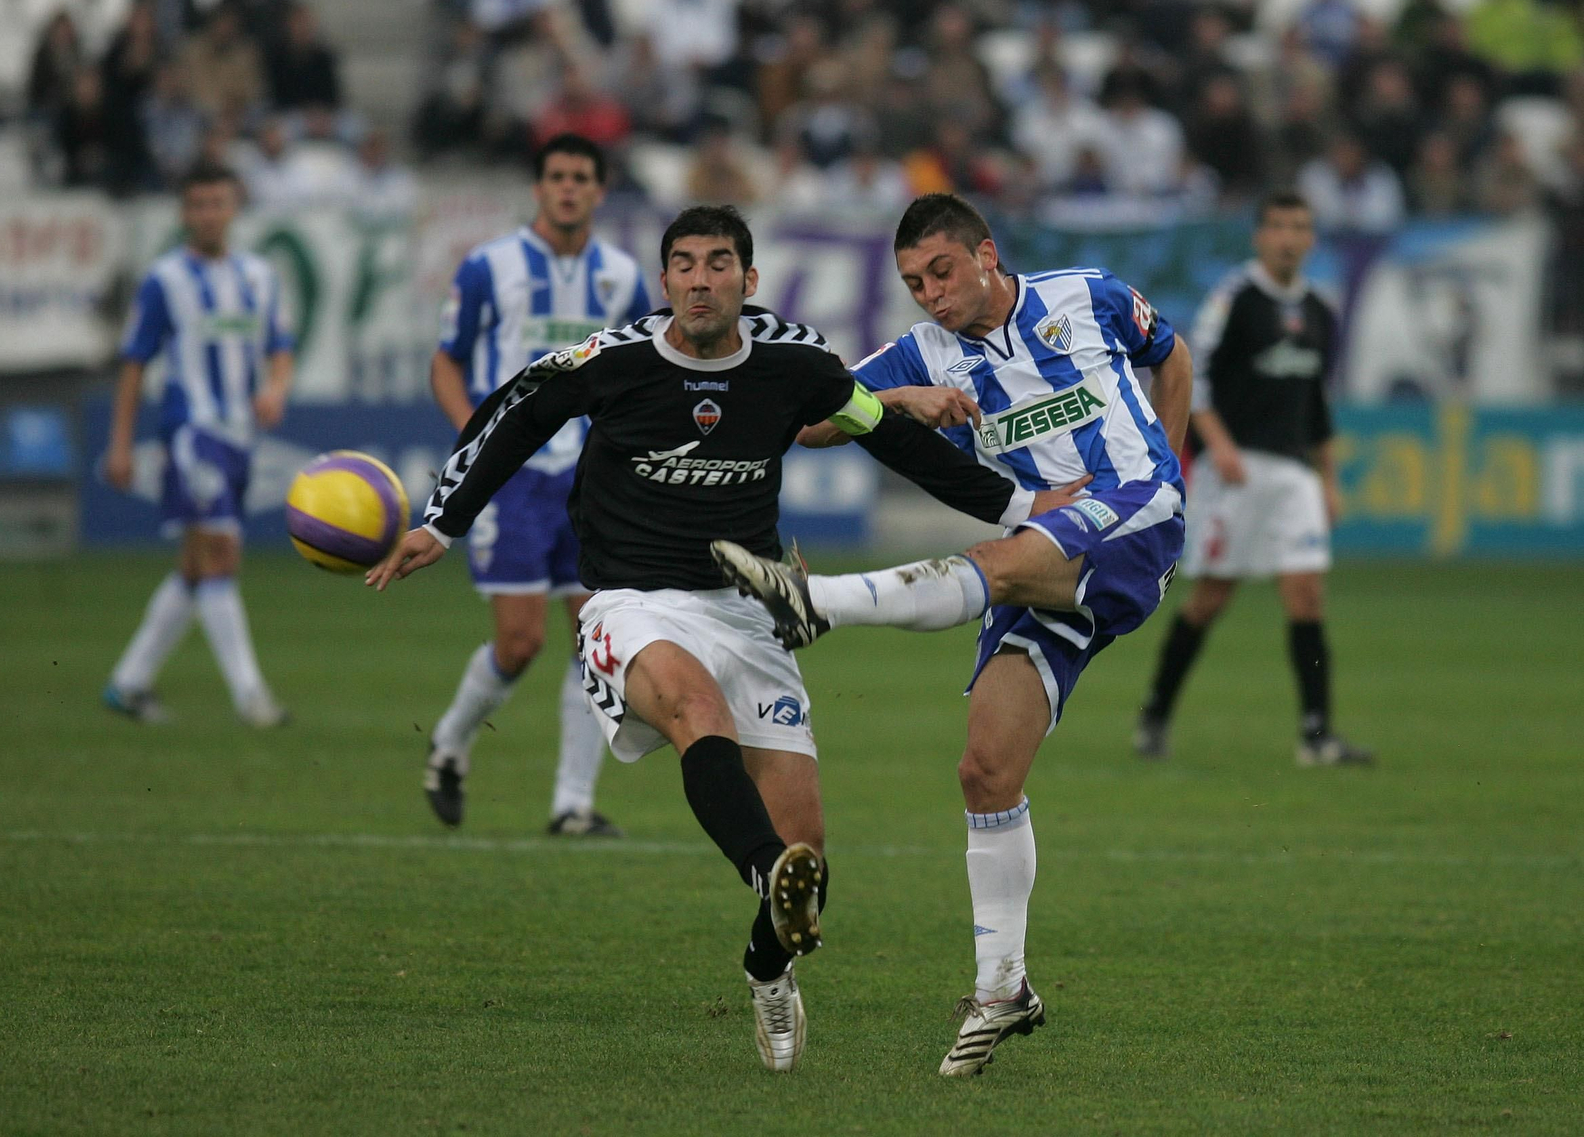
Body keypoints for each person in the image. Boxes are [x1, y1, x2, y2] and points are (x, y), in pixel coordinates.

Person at [367, 204, 1039, 1072]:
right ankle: (765, 870)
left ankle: (767, 970)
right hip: (629, 603)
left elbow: (892, 437)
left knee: (814, 860)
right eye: (682, 263)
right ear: (664, 280)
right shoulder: (613, 362)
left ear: (748, 281)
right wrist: (442, 522)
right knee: (694, 709)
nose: (698, 279)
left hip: (749, 607)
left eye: (718, 263)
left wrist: (1026, 515)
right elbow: (518, 410)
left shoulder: (795, 362)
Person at [709, 193, 1195, 1078]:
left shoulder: (1087, 294)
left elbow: (1172, 354)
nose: (929, 294)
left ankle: (817, 602)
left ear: (985, 254)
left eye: (940, 272)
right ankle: (1002, 986)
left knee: (994, 563)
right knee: (985, 767)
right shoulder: (921, 351)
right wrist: (893, 398)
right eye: (912, 283)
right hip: (1044, 546)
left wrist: (1170, 466)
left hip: (1131, 514)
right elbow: (811, 424)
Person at [423, 134, 652, 837]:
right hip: (514, 483)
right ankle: (450, 744)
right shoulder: (489, 267)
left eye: (581, 177)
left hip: (591, 481)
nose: (568, 188)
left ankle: (571, 804)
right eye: (556, 176)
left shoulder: (621, 275)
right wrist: (479, 441)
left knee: (595, 637)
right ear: (538, 187)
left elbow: (647, 368)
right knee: (519, 643)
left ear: (599, 188)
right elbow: (447, 362)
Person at [1136, 192, 1373, 768]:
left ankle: (1316, 736)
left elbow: (1316, 400)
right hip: (1234, 470)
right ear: (1259, 236)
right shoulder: (1233, 300)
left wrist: (1330, 479)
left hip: (1294, 473)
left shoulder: (1319, 309)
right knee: (1210, 600)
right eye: (1279, 226)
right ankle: (1156, 714)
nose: (1290, 237)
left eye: (1300, 226)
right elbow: (1195, 377)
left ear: (1311, 238)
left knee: (1307, 594)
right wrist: (1216, 445)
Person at [102, 160, 293, 727]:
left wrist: (277, 388)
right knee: (221, 554)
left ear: (233, 208)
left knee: (194, 566)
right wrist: (119, 444)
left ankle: (128, 683)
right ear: (185, 213)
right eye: (199, 204)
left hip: (240, 435)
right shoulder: (165, 280)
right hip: (191, 432)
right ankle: (250, 696)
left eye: (219, 202)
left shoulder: (259, 276)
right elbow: (134, 364)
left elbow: (280, 346)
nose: (209, 214)